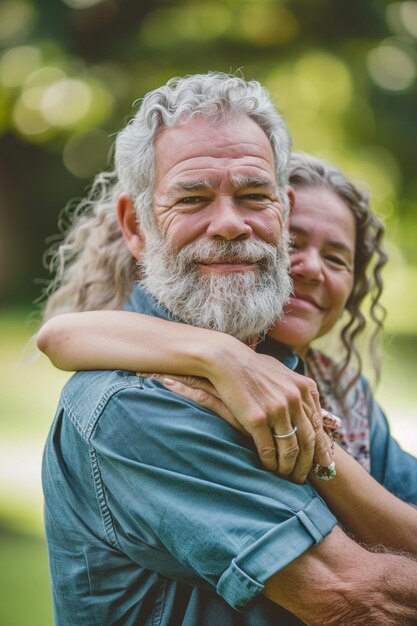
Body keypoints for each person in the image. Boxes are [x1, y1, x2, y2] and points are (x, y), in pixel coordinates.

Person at [39, 72, 417, 625]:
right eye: (192, 198)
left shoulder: (310, 376)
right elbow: (359, 602)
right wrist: (224, 358)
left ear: (281, 211)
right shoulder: (136, 406)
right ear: (135, 226)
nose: (230, 224)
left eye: (253, 195)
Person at [38, 152, 417, 502]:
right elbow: (61, 335)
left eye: (336, 259)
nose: (314, 269)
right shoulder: (178, 380)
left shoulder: (349, 395)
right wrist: (225, 356)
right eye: (293, 244)